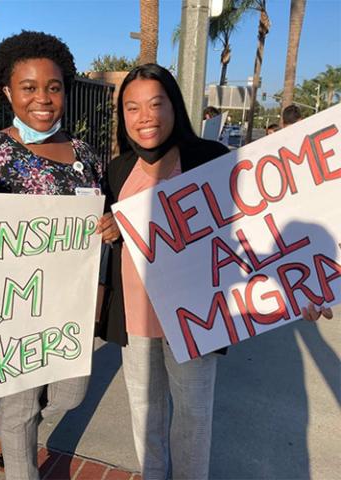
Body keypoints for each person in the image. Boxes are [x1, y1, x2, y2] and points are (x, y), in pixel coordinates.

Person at [98, 63, 333, 480]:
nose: (144, 117)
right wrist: (112, 228)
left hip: (196, 322)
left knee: (192, 421)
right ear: (123, 117)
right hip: (135, 322)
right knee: (144, 419)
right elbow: (107, 238)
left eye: (156, 103)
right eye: (132, 108)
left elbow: (261, 230)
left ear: (175, 106)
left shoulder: (212, 161)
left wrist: (303, 288)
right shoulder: (118, 171)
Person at [0, 31, 119, 480]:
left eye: (53, 87)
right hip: (13, 310)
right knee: (21, 409)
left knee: (70, 396)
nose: (42, 98)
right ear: (8, 91)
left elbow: (103, 221)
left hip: (68, 308)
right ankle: (16, 455)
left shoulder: (84, 155)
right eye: (29, 87)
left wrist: (111, 226)